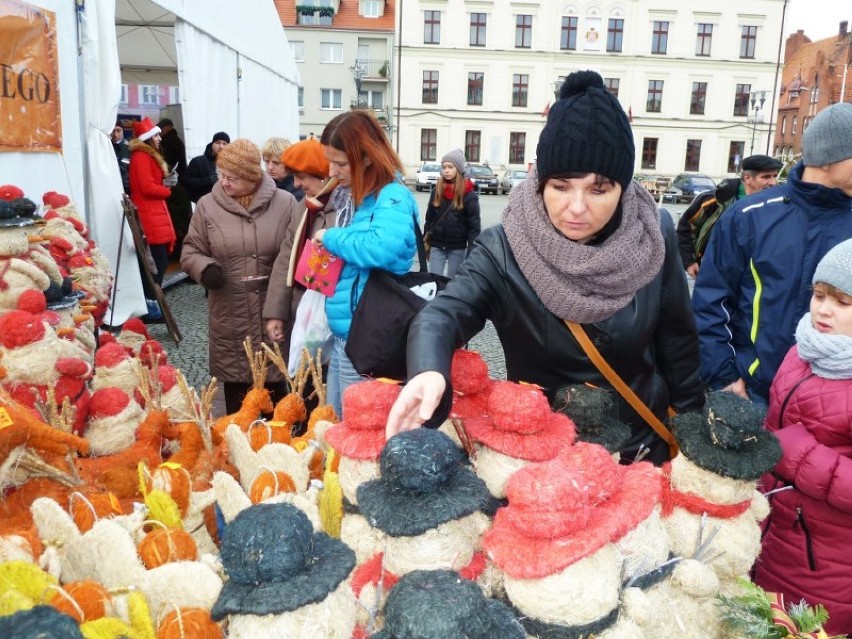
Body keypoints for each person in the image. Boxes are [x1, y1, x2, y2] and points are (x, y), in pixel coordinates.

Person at [385, 70, 704, 465]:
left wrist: (692, 432)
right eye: (560, 185)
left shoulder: (653, 231)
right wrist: (428, 370)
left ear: (624, 187)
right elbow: (443, 315)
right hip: (544, 457)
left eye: (599, 189)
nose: (576, 206)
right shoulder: (504, 248)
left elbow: (679, 341)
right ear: (539, 181)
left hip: (639, 449)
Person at [693, 102, 852, 405]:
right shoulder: (750, 216)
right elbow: (711, 301)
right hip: (752, 393)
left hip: (836, 404)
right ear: (830, 157)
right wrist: (725, 378)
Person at [753, 238, 852, 636]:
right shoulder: (803, 350)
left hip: (827, 564)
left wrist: (796, 454)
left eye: (843, 302)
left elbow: (790, 444)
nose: (823, 309)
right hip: (770, 533)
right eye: (819, 294)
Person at [311, 110, 419, 418]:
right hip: (351, 333)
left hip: (367, 337)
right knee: (337, 419)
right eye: (330, 160)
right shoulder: (362, 198)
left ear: (368, 158)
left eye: (341, 163)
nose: (332, 170)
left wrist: (331, 237)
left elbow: (380, 247)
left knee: (356, 424)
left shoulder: (392, 195)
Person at [180, 139, 301, 413]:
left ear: (252, 177)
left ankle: (275, 451)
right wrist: (204, 268)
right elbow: (190, 250)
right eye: (221, 175)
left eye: (232, 178)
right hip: (229, 313)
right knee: (237, 398)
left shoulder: (285, 204)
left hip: (273, 311)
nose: (224, 183)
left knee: (276, 394)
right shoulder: (207, 206)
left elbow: (296, 252)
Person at [263, 138, 337, 356]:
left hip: (332, 317)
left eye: (301, 177)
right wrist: (275, 313)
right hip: (303, 312)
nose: (295, 184)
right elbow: (286, 258)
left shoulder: (345, 209)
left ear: (323, 175)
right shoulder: (303, 208)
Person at [676, 154, 783, 277]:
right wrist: (690, 261)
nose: (773, 182)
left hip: (757, 277)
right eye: (766, 177)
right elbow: (686, 228)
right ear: (748, 178)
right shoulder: (714, 200)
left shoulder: (780, 204)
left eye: (775, 176)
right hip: (714, 274)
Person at [128, 117, 176, 323]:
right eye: (156, 135)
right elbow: (147, 187)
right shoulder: (141, 157)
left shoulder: (144, 156)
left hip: (153, 214)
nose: (159, 138)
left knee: (156, 262)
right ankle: (150, 304)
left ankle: (152, 303)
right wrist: (166, 189)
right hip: (149, 215)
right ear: (148, 138)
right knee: (156, 263)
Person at [424, 148, 480, 277]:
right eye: (444, 167)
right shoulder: (437, 191)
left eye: (450, 167)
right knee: (434, 281)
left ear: (459, 169)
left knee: (453, 284)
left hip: (458, 247)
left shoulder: (469, 195)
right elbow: (429, 218)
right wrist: (425, 241)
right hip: (437, 245)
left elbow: (474, 228)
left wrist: (471, 252)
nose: (446, 170)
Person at [157, 118, 193, 258]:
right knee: (182, 222)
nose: (158, 136)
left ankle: (177, 253)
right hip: (180, 188)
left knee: (176, 222)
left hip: (174, 189)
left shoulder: (169, 141)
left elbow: (168, 165)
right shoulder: (177, 140)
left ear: (165, 128)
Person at [184, 131, 230, 203]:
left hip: (227, 205)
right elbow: (187, 182)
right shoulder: (198, 161)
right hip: (205, 205)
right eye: (218, 143)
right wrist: (208, 180)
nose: (221, 146)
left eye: (224, 143)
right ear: (212, 144)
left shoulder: (233, 164)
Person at [261, 137, 305, 201]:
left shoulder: (300, 187)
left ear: (289, 163)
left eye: (276, 163)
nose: (270, 167)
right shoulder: (259, 185)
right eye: (267, 161)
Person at [111, 124, 130, 194]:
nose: (115, 134)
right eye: (113, 131)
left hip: (126, 188)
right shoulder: (106, 147)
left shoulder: (130, 148)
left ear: (123, 131)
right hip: (111, 187)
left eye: (118, 131)